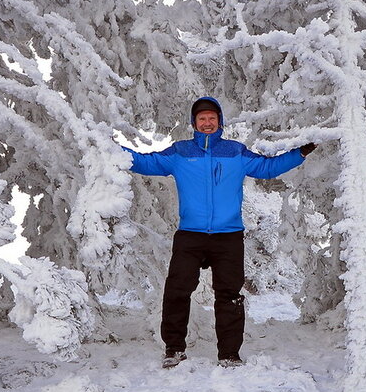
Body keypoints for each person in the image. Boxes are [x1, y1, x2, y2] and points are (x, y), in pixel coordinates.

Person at [122, 97, 315, 368]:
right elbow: (143, 162)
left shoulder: (235, 152)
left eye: (212, 118)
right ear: (194, 123)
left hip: (228, 237)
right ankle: (174, 349)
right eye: (202, 119)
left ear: (220, 121)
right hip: (190, 235)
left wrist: (300, 153)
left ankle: (229, 354)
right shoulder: (180, 152)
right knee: (177, 290)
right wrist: (110, 149)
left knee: (229, 295)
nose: (207, 122)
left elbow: (268, 168)